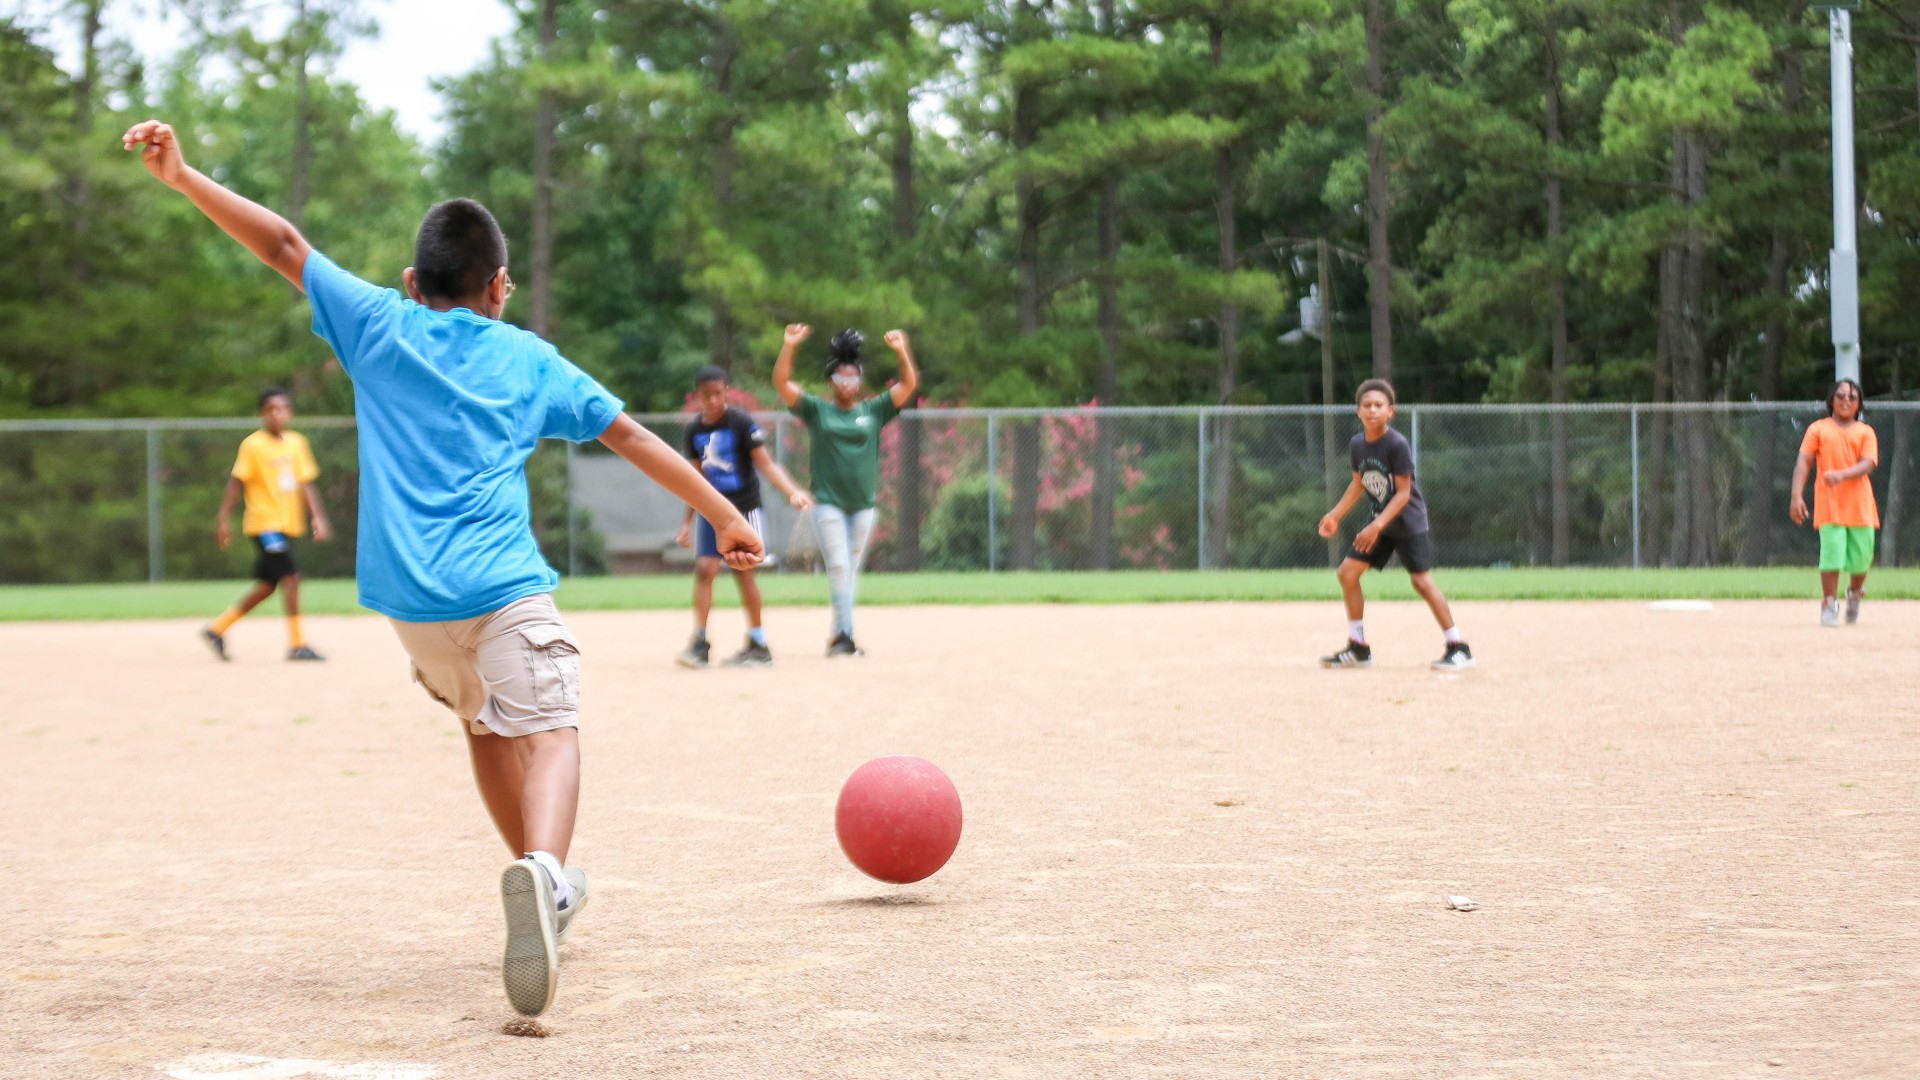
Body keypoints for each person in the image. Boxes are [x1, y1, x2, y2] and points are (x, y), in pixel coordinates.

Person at [124, 119, 763, 1018]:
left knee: (485, 725)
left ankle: (535, 886)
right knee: (551, 730)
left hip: (412, 610)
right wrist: (727, 513)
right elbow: (628, 433)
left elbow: (284, 243)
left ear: (410, 283)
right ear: (499, 284)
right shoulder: (528, 357)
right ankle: (544, 874)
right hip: (499, 588)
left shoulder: (377, 324)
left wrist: (185, 176)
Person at [771, 323, 918, 656]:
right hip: (828, 504)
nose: (846, 384)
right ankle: (844, 637)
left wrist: (901, 351)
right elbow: (781, 383)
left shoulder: (874, 410)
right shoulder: (818, 410)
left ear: (859, 381)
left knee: (849, 571)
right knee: (838, 566)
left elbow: (908, 385)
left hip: (863, 505)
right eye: (840, 379)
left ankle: (840, 633)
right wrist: (789, 345)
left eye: (852, 378)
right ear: (830, 381)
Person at [1316, 379, 1474, 671]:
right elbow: (1358, 484)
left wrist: (1375, 527)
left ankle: (1458, 646)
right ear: (1358, 411)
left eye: (1379, 405)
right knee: (1348, 573)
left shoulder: (1396, 444)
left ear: (1391, 411)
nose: (1372, 409)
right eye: (1367, 405)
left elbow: (1403, 493)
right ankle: (1358, 647)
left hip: (1408, 520)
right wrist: (1335, 514)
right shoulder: (1357, 444)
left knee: (1421, 581)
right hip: (1380, 521)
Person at [675, 365, 814, 667]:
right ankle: (700, 641)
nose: (712, 400)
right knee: (704, 569)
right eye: (705, 395)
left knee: (743, 572)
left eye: (717, 394)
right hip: (712, 510)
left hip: (744, 509)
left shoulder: (740, 422)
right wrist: (686, 522)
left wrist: (792, 492)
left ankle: (758, 642)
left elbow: (766, 464)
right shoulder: (694, 430)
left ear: (726, 391)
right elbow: (693, 478)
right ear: (698, 396)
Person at [202, 387, 332, 662]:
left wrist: (317, 516)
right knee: (292, 578)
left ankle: (217, 629)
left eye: (283, 408)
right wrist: (223, 518)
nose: (277, 414)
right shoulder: (253, 444)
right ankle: (298, 644)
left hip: (288, 524)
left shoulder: (297, 443)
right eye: (271, 408)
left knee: (268, 585)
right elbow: (237, 481)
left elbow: (305, 483)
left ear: (291, 413)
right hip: (264, 524)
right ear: (263, 414)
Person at [1790, 378, 1878, 627]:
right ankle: (1829, 603)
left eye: (1852, 397)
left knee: (1861, 561)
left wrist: (1841, 474)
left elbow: (1868, 463)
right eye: (1840, 396)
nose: (1846, 401)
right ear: (1831, 401)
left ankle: (1854, 594)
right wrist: (1796, 495)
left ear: (1859, 403)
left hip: (1860, 506)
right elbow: (1804, 461)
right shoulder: (1818, 429)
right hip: (1830, 505)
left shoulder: (1865, 432)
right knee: (1831, 557)